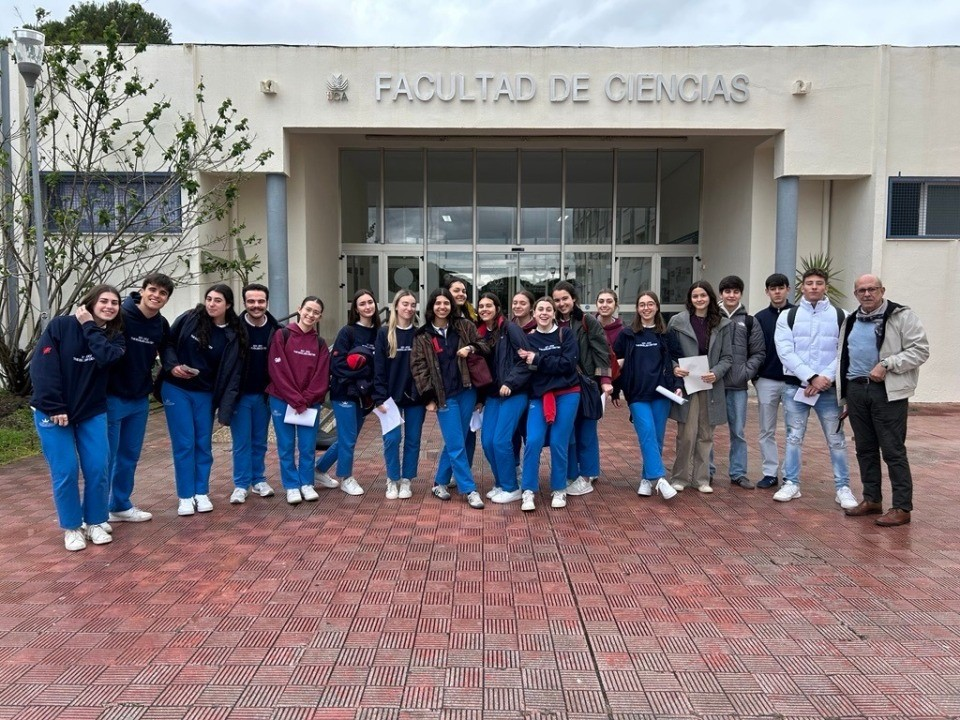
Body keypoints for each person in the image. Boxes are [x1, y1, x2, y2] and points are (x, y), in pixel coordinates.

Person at [31, 285, 126, 551]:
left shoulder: (115, 337)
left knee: (98, 467)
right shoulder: (61, 326)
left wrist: (89, 326)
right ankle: (72, 527)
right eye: (104, 301)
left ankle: (95, 522)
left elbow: (106, 358)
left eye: (115, 302)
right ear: (90, 302)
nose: (109, 306)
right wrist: (54, 406)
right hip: (53, 411)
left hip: (90, 410)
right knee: (66, 470)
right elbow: (42, 368)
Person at [838, 275, 929, 527]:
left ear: (882, 290)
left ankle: (902, 507)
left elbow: (920, 350)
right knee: (865, 448)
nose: (867, 294)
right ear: (855, 294)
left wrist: (888, 364)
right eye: (861, 290)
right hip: (856, 390)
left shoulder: (901, 316)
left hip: (887, 391)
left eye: (872, 289)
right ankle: (872, 499)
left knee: (892, 450)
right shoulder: (851, 320)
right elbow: (844, 357)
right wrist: (846, 395)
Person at [773, 268, 856, 508]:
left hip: (828, 390)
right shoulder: (788, 316)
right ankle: (791, 483)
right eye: (809, 283)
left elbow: (844, 352)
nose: (814, 287)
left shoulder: (841, 316)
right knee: (793, 437)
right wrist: (810, 377)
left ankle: (843, 488)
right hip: (796, 388)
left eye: (819, 283)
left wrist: (823, 379)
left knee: (836, 439)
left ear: (826, 287)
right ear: (802, 287)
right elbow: (785, 351)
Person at [161, 283, 246, 517]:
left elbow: (232, 372)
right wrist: (173, 366)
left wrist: (225, 406)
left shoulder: (233, 334)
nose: (211, 304)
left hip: (206, 393)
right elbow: (167, 343)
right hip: (177, 388)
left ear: (228, 305)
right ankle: (185, 496)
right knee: (184, 443)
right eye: (209, 299)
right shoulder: (190, 318)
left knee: (203, 444)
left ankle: (201, 492)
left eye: (217, 300)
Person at [410, 287, 487, 509]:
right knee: (456, 443)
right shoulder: (422, 335)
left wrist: (470, 348)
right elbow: (418, 368)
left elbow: (484, 346)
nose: (442, 307)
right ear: (431, 306)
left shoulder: (464, 326)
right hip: (443, 397)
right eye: (438, 303)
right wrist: (428, 397)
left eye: (446, 303)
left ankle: (439, 482)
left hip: (467, 391)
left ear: (451, 306)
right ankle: (469, 489)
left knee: (456, 441)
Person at [105, 273, 173, 524]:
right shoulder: (119, 315)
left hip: (139, 399)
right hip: (111, 396)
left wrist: (174, 366)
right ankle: (96, 513)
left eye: (163, 293)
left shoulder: (161, 324)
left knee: (129, 455)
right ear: (142, 291)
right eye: (152, 290)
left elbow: (167, 349)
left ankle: (120, 505)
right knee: (105, 457)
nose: (156, 296)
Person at [668, 281, 733, 493]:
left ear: (710, 297)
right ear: (690, 299)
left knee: (706, 434)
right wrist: (674, 367)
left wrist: (716, 372)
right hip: (687, 384)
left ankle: (701, 479)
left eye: (703, 295)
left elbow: (727, 357)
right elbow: (668, 351)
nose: (699, 299)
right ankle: (679, 477)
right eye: (695, 296)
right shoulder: (677, 322)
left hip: (710, 384)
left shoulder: (722, 324)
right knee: (686, 434)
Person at [614, 292, 680, 500]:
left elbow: (677, 362)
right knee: (647, 433)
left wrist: (678, 385)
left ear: (657, 307)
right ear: (637, 308)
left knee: (656, 437)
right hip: (637, 394)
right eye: (642, 305)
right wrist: (615, 389)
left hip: (662, 393)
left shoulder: (666, 334)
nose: (646, 308)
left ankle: (645, 479)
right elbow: (616, 364)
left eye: (650, 304)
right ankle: (660, 479)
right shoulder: (627, 334)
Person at [315, 289, 381, 497]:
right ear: (356, 309)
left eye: (370, 302)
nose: (367, 306)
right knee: (348, 437)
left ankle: (318, 470)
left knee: (347, 438)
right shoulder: (348, 332)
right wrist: (365, 372)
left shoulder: (379, 333)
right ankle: (346, 477)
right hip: (344, 393)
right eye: (362, 304)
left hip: (364, 396)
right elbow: (337, 365)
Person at [517, 297, 580, 512]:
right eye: (540, 309)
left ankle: (559, 488)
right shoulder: (528, 339)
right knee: (533, 440)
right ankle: (528, 490)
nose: (544, 313)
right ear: (534, 314)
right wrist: (546, 362)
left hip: (568, 393)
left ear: (554, 313)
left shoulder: (565, 334)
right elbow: (528, 368)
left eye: (548, 309)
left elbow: (568, 364)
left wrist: (537, 360)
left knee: (558, 441)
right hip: (539, 396)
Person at [266, 296, 331, 505]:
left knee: (307, 446)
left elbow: (322, 376)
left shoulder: (320, 343)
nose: (311, 315)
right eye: (308, 310)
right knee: (286, 445)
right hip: (282, 399)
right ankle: (291, 486)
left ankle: (306, 483)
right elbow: (277, 370)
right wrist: (295, 398)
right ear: (299, 309)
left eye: (316, 312)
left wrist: (306, 399)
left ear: (320, 317)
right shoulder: (282, 335)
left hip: (309, 404)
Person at [552, 281, 612, 497]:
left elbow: (601, 351)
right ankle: (572, 473)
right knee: (567, 432)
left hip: (585, 383)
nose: (561, 303)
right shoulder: (552, 322)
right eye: (557, 300)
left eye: (565, 299)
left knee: (586, 431)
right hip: (561, 386)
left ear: (574, 299)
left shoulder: (587, 321)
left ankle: (587, 476)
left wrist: (605, 380)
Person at [476, 292, 531, 504]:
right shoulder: (482, 334)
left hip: (514, 393)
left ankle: (511, 487)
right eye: (481, 306)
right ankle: (500, 483)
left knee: (500, 440)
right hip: (492, 395)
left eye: (488, 305)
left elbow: (526, 360)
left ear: (497, 308)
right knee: (487, 441)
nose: (484, 309)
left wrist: (510, 382)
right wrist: (480, 398)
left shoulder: (510, 328)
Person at [229, 283, 281, 504]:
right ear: (244, 303)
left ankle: (258, 479)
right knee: (242, 442)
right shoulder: (233, 328)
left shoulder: (277, 331)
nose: (256, 305)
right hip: (239, 395)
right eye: (251, 301)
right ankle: (241, 485)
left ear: (267, 302)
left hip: (265, 395)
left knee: (260, 441)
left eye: (260, 301)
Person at [373, 290, 426, 500]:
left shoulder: (420, 334)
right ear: (396, 306)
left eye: (413, 305)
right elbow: (378, 368)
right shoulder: (384, 333)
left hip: (415, 398)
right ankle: (392, 479)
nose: (409, 308)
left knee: (413, 440)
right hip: (389, 398)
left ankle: (406, 480)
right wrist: (379, 398)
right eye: (405, 304)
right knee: (392, 439)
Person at [714, 275, 766, 488]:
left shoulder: (750, 321)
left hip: (738, 386)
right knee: (708, 431)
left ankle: (738, 473)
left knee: (738, 432)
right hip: (713, 384)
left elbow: (758, 352)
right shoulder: (711, 318)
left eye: (735, 292)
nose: (731, 295)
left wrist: (745, 372)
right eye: (727, 291)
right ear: (721, 294)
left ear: (740, 294)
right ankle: (706, 471)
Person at [752, 273, 795, 489]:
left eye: (781, 288)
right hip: (766, 380)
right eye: (772, 288)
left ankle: (789, 474)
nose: (777, 292)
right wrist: (756, 377)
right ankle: (770, 473)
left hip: (792, 382)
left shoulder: (798, 315)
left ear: (788, 289)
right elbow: (753, 349)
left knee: (792, 430)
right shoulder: (759, 318)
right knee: (766, 430)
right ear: (767, 292)